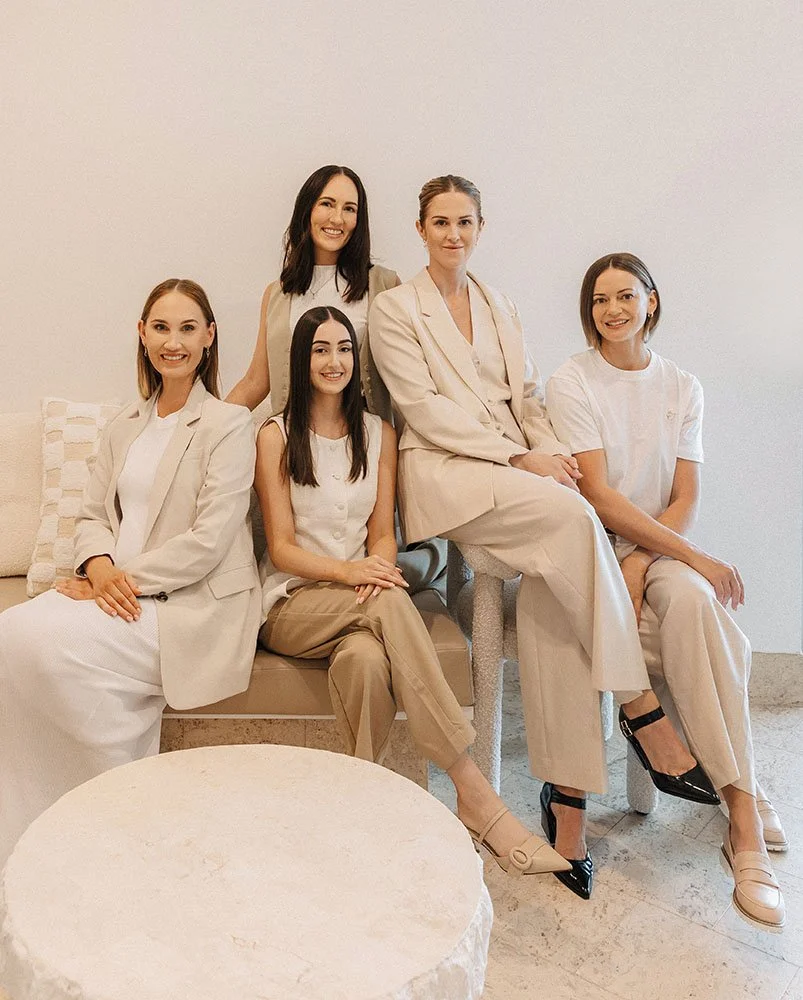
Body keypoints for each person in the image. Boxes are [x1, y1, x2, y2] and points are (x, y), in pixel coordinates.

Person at [368, 175, 719, 902]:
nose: (453, 234)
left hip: (516, 469)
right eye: (440, 222)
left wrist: (549, 452)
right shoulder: (395, 308)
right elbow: (422, 410)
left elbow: (526, 398)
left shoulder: (499, 304)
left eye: (465, 222)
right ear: (420, 229)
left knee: (557, 584)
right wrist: (518, 458)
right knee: (575, 519)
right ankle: (640, 707)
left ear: (480, 228)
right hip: (446, 472)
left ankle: (566, 807)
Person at [255, 303, 570, 878]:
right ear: (301, 360)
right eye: (320, 350)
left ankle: (361, 809)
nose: (334, 361)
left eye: (344, 349)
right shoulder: (275, 435)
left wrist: (374, 566)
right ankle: (473, 790)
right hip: (293, 604)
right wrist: (355, 574)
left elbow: (382, 534)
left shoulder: (379, 434)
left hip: (360, 606)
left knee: (365, 661)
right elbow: (281, 549)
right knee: (389, 601)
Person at [545, 252, 785, 930]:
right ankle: (745, 802)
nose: (612, 310)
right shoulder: (572, 380)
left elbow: (685, 497)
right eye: (599, 300)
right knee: (704, 623)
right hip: (597, 548)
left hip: (657, 550)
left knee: (694, 605)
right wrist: (682, 557)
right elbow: (597, 495)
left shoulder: (682, 385)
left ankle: (740, 814)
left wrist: (650, 560)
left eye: (625, 296)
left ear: (651, 301)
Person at [0, 279, 262, 867]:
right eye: (161, 328)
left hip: (188, 603)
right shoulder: (125, 424)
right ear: (142, 335)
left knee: (42, 643)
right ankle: (30, 833)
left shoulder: (227, 424)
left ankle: (115, 812)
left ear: (210, 336)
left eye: (188, 328)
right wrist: (98, 566)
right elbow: (92, 516)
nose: (174, 342)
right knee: (10, 632)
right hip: (114, 591)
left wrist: (117, 580)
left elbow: (210, 540)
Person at [228, 163, 443, 592]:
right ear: (307, 210)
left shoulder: (384, 285)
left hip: (362, 447)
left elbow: (409, 380)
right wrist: (202, 428)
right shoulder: (278, 293)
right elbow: (257, 380)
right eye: (327, 204)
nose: (337, 218)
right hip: (300, 450)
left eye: (350, 208)